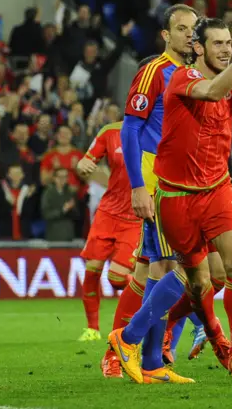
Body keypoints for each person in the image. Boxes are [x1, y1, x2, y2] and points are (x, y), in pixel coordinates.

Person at [110, 11, 232, 383]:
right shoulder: (179, 76)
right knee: (174, 274)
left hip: (216, 190)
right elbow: (210, 91)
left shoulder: (228, 80)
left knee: (231, 269)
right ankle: (133, 346)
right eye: (218, 44)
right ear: (197, 47)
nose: (226, 50)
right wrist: (137, 185)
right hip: (173, 193)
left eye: (229, 43)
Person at [107, 4, 223, 384]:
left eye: (194, 29)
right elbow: (129, 128)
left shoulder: (190, 74)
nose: (190, 35)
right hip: (157, 179)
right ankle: (128, 341)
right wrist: (138, 185)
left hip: (183, 178)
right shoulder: (154, 71)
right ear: (166, 35)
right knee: (182, 268)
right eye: (182, 29)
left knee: (161, 267)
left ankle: (154, 361)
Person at [75, 122, 142, 359]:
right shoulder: (110, 132)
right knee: (92, 270)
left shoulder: (157, 130)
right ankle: (92, 328)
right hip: (108, 212)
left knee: (115, 278)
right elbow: (86, 161)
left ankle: (149, 296)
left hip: (136, 216)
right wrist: (83, 164)